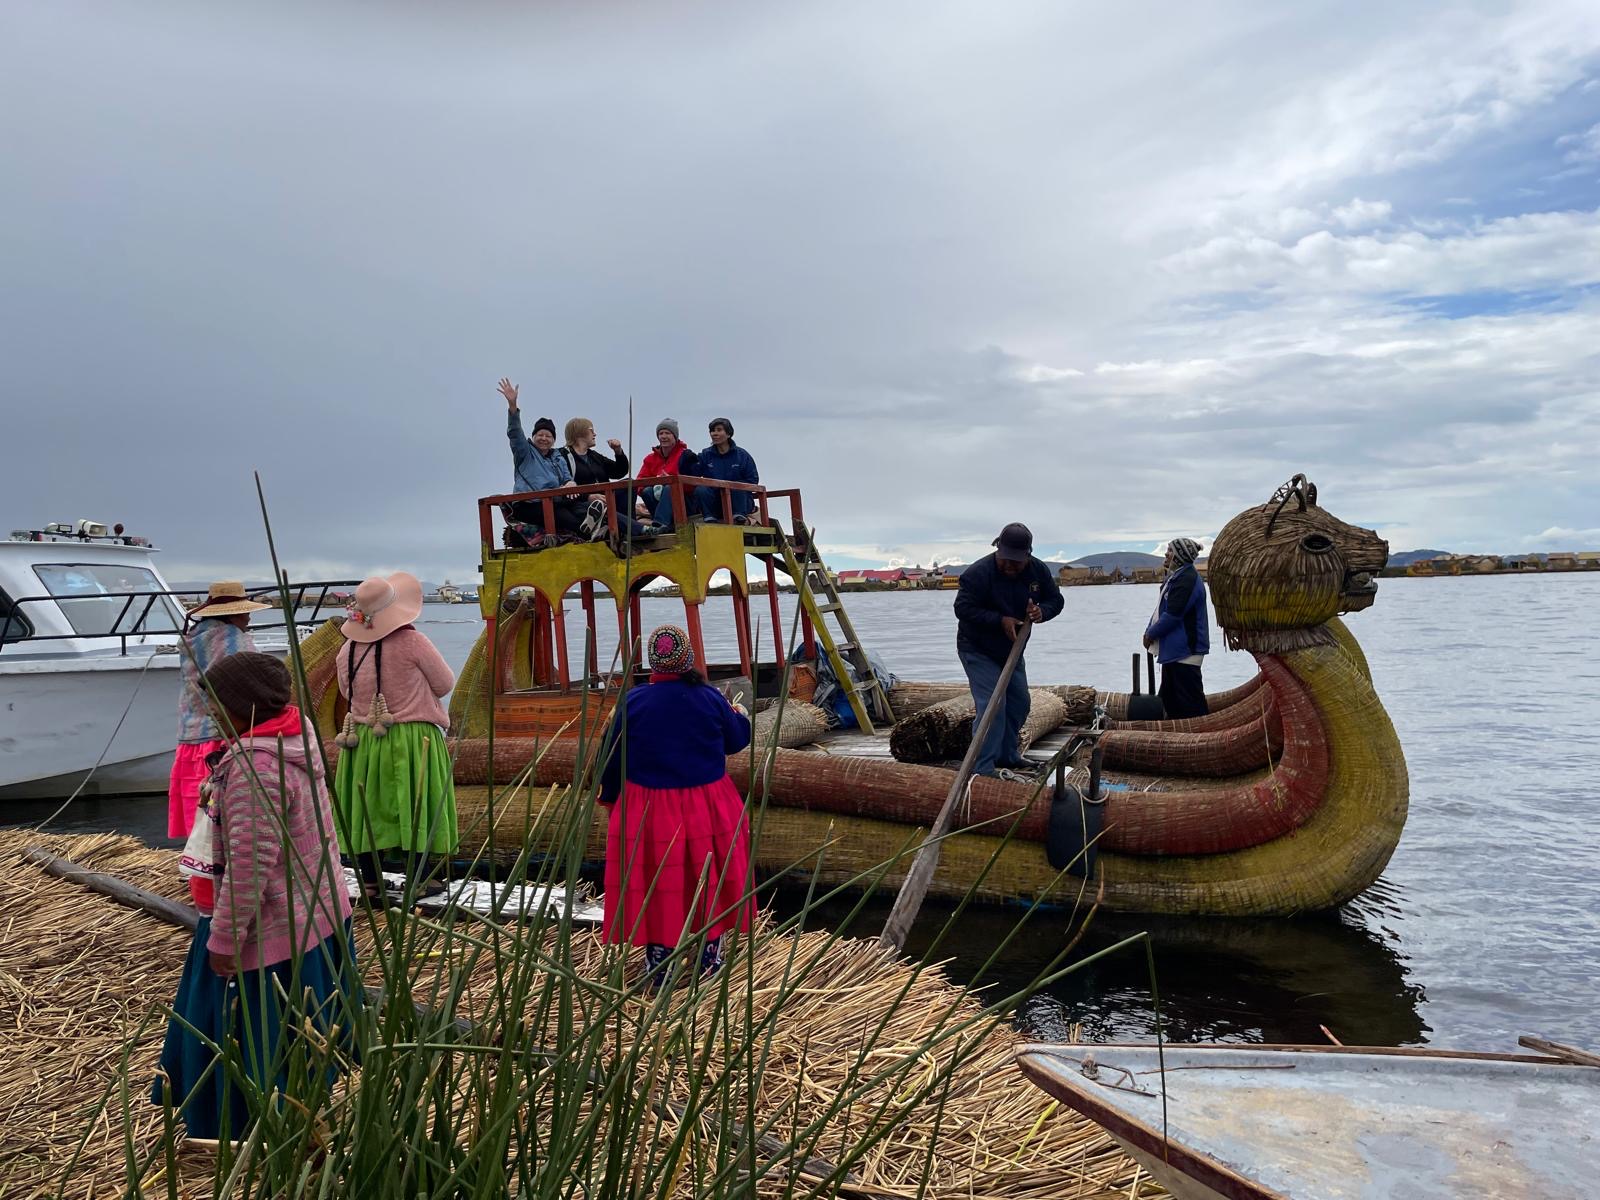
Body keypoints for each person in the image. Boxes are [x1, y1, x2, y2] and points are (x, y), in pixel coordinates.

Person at [153, 652, 358, 1140]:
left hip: (271, 930)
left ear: (242, 704)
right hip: (317, 912)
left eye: (217, 703)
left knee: (254, 1036)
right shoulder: (295, 736)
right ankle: (302, 1110)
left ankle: (247, 1125)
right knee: (305, 1032)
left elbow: (249, 868)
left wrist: (225, 939)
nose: (211, 713)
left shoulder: (256, 768)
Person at [598, 624, 754, 988]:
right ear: (688, 659)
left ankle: (660, 964)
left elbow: (611, 756)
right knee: (707, 877)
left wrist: (610, 799)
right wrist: (738, 713)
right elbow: (736, 740)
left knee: (659, 879)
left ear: (653, 664)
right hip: (706, 806)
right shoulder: (710, 698)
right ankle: (709, 958)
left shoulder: (633, 701)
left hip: (650, 809)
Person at [333, 571, 458, 902]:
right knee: (415, 804)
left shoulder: (348, 650)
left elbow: (346, 691)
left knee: (367, 808)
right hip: (412, 738)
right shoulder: (413, 642)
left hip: (362, 740)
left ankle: (371, 881)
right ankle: (419, 880)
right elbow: (445, 683)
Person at [170, 582, 269, 910]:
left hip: (191, 735)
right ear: (234, 613)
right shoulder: (234, 640)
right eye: (245, 613)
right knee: (222, 814)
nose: (248, 619)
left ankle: (197, 875)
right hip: (222, 737)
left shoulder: (192, 638)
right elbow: (251, 687)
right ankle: (220, 885)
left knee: (200, 811)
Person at [953, 523, 1064, 778]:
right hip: (977, 649)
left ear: (1028, 555)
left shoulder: (1037, 570)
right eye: (1006, 560)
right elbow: (963, 609)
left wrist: (1042, 612)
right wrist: (999, 620)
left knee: (1019, 703)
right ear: (997, 549)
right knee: (993, 705)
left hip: (1012, 650)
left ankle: (1007, 754)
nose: (1010, 566)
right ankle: (982, 766)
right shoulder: (978, 573)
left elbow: (1056, 600)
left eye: (1016, 562)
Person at [499, 378, 607, 541]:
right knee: (560, 513)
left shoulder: (557, 457)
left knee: (576, 507)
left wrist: (570, 483)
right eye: (540, 435)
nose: (544, 438)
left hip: (555, 501)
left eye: (548, 436)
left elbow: (567, 478)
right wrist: (512, 405)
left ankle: (594, 524)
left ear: (553, 440)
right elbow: (515, 432)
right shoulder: (525, 453)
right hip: (528, 504)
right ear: (533, 437)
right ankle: (589, 532)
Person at [1143, 537, 1212, 719]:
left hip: (1186, 650)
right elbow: (1161, 610)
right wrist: (1149, 630)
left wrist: (1151, 634)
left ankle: (1202, 732)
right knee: (1169, 700)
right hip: (1174, 651)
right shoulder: (1177, 577)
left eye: (1170, 551)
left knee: (1190, 702)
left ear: (1179, 556)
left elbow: (1173, 615)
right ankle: (1173, 732)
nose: (1166, 554)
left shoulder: (1187, 579)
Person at [559, 416, 661, 539]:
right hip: (582, 503)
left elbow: (619, 472)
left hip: (605, 498)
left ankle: (629, 527)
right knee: (599, 507)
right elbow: (561, 485)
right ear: (579, 433)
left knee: (628, 483)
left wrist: (618, 452)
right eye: (591, 430)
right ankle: (638, 529)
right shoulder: (562, 456)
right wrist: (588, 496)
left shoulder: (594, 456)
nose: (595, 434)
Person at [634, 418, 700, 530]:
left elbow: (693, 484)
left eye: (667, 433)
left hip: (685, 504)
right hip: (658, 501)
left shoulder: (686, 455)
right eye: (661, 433)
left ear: (675, 436)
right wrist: (656, 483)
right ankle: (663, 523)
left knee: (670, 487)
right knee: (647, 491)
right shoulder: (650, 459)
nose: (663, 436)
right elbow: (639, 484)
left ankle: (659, 524)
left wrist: (670, 481)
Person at [692, 417, 761, 523]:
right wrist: (688, 462)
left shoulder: (742, 455)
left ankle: (738, 517)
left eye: (719, 430)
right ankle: (709, 517)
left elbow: (753, 480)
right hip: (716, 502)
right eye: (712, 431)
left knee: (737, 485)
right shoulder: (705, 455)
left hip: (739, 503)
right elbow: (693, 474)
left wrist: (731, 487)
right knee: (701, 489)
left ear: (728, 434)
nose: (714, 433)